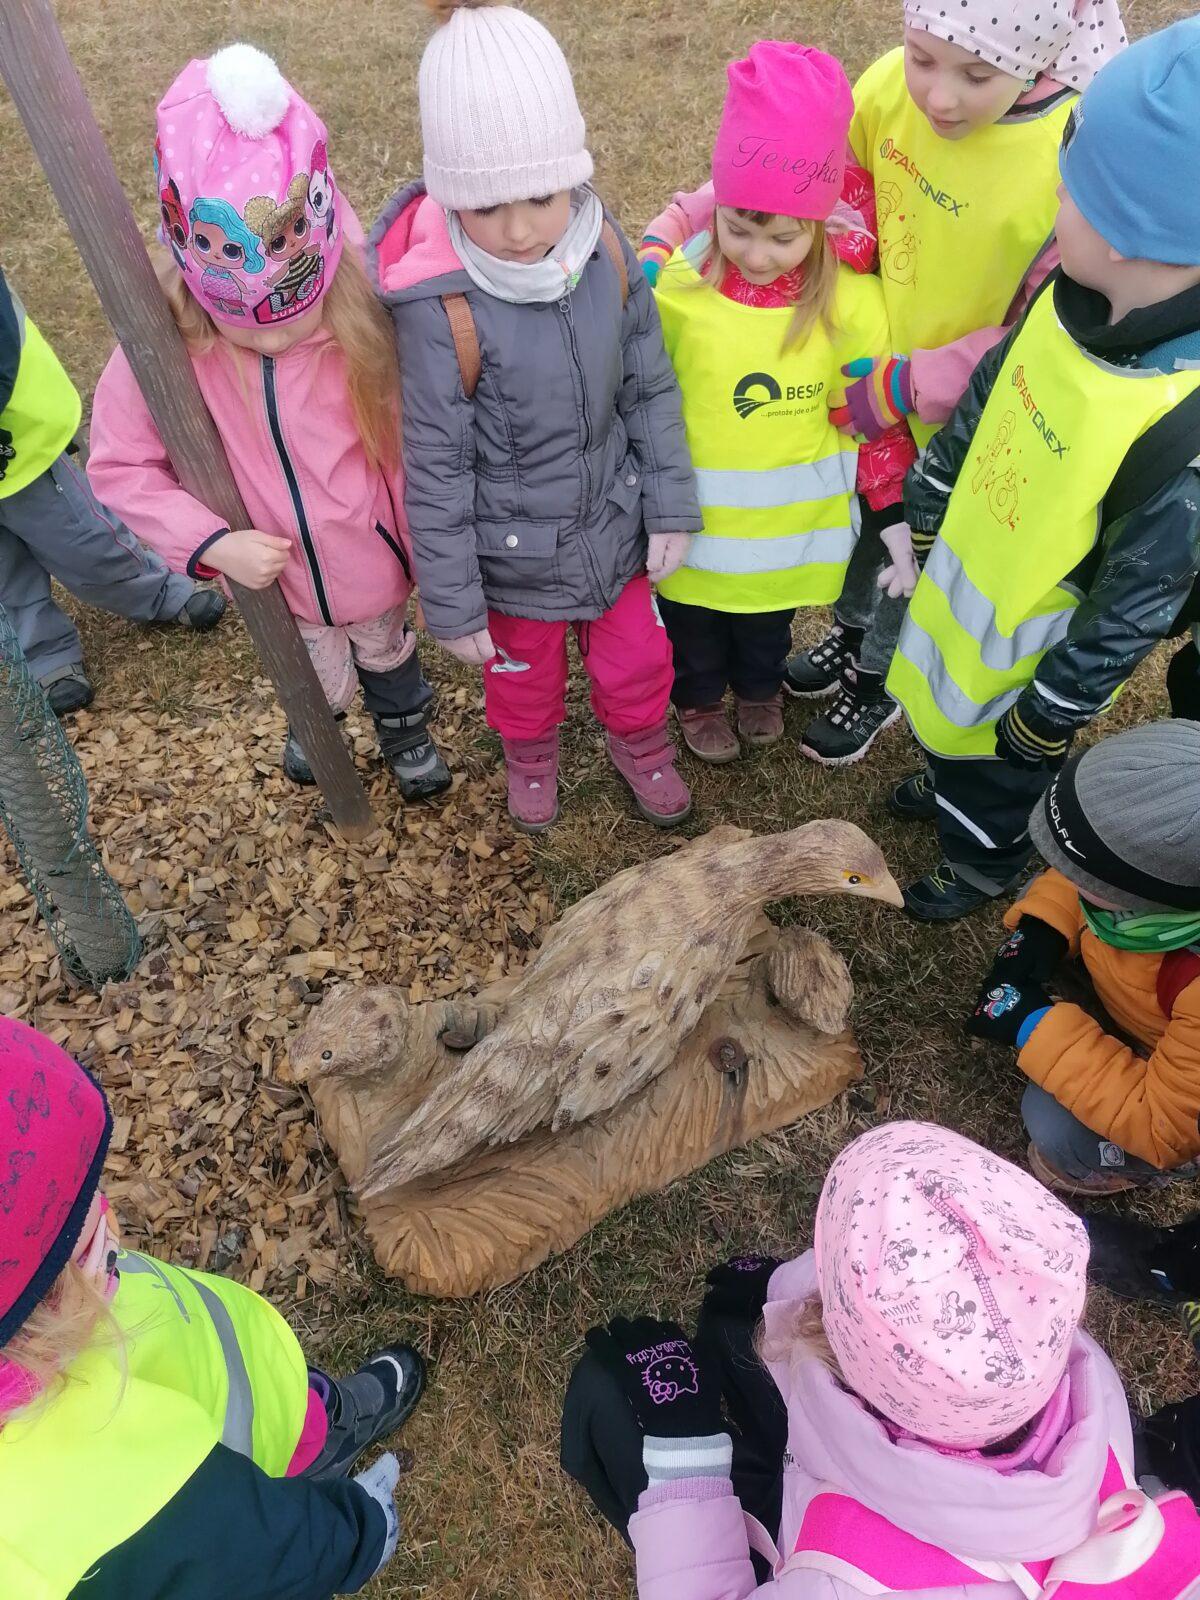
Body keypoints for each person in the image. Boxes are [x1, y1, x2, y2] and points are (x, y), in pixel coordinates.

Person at [641, 0, 1125, 767]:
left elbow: (1051, 323)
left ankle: (878, 677)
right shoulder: (885, 90)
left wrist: (914, 384)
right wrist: (683, 217)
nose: (937, 95)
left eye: (976, 74)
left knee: (921, 559)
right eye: (922, 57)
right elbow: (786, 165)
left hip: (962, 412)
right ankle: (850, 631)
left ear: (1036, 61)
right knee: (865, 535)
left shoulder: (1064, 162)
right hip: (858, 374)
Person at [562, 1120, 1200, 1597]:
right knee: (735, 1328)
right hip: (929, 1505)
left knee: (608, 1393)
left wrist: (687, 1463)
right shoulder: (1079, 1382)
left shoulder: (836, 1586)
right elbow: (949, 1287)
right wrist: (778, 1291)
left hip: (843, 1549)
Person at [886, 17, 1200, 920]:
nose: (1054, 204)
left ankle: (983, 857)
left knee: (995, 764)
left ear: (1134, 234)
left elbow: (1136, 600)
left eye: (1072, 192)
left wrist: (1052, 711)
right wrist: (939, 478)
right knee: (950, 724)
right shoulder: (1071, 297)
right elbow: (998, 384)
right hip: (972, 570)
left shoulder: (1177, 425)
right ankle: (948, 783)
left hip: (1031, 653)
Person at [371, 0, 701, 833]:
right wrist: (452, 602)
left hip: (616, 528)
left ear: (575, 175)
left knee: (637, 660)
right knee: (523, 679)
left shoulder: (609, 254)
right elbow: (438, 466)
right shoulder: (438, 308)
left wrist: (668, 504)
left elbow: (649, 387)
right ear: (451, 198)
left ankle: (641, 740)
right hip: (513, 562)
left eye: (541, 197)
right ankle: (531, 755)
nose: (519, 231)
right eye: (486, 208)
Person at [87, 45, 450, 799]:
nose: (278, 339)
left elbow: (416, 448)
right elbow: (120, 466)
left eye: (294, 317)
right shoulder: (166, 347)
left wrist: (426, 554)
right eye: (249, 330)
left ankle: (404, 728)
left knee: (387, 653)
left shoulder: (364, 318)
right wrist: (212, 543)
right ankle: (315, 725)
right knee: (314, 672)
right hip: (276, 582)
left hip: (374, 566)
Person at [0, 1015, 426, 1599]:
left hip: (240, 1384)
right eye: (84, 1230)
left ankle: (318, 1413)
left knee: (291, 1408)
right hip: (248, 1470)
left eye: (92, 1191)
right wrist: (365, 1531)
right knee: (289, 1474)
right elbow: (267, 1555)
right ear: (30, 1320)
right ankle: (328, 1443)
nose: (109, 1219)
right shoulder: (101, 1508)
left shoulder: (56, 1307)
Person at [651, 42, 916, 764]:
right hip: (690, 537)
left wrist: (892, 519)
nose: (757, 255)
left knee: (767, 627)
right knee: (692, 629)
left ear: (820, 222)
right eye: (737, 229)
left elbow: (869, 422)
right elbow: (639, 399)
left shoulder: (851, 308)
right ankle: (700, 698)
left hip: (783, 545)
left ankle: (760, 689)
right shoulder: (678, 290)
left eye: (782, 237)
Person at [965, 722, 1200, 1197]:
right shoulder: (1168, 877)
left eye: (1083, 872)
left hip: (1176, 1093)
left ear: (1150, 895)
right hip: (1149, 997)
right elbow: (1084, 877)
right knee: (1043, 896)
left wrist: (1035, 1026)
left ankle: (1133, 1166)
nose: (1064, 872)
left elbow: (1162, 1124)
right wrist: (1041, 930)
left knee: (1055, 1126)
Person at [0, 266, 224, 715]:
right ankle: (44, 654)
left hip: (18, 448)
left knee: (82, 543)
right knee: (6, 577)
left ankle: (158, 591)